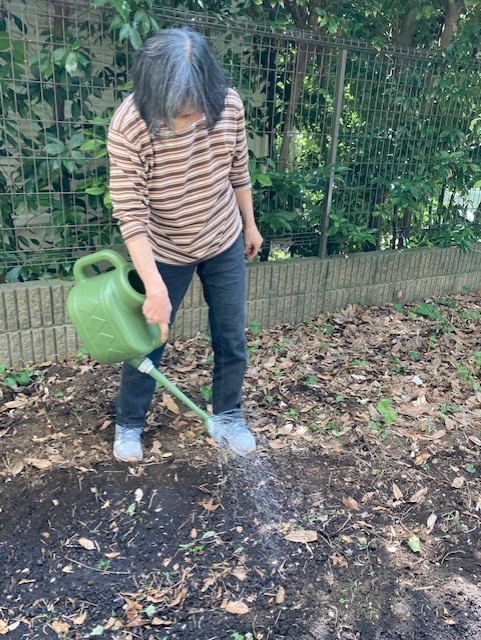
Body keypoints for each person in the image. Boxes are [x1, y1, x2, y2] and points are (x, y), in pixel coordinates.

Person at [107, 27, 263, 463]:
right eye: (178, 113)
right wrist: (154, 288)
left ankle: (229, 416)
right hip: (162, 248)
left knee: (231, 335)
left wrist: (249, 225)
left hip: (222, 235)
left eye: (195, 111)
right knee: (148, 339)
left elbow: (238, 169)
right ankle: (129, 423)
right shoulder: (129, 124)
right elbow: (131, 214)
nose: (188, 122)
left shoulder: (228, 106)